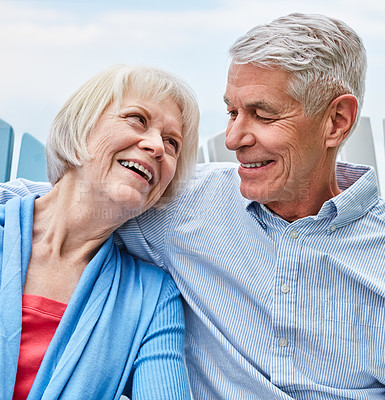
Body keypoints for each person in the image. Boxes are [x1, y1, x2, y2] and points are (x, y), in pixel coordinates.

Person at [2, 13, 385, 399]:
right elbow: (73, 200)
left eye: (263, 114)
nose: (233, 139)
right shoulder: (181, 208)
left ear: (336, 121)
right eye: (232, 113)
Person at [0, 64, 200, 399]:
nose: (157, 147)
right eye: (137, 118)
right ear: (82, 124)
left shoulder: (152, 297)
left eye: (172, 143)